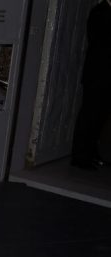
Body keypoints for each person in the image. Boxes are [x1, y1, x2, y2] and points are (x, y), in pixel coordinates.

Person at [71, 0, 111, 170]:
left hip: (106, 74)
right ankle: (80, 156)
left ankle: (91, 152)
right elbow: (99, 40)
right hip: (97, 73)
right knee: (89, 115)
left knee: (99, 116)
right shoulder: (99, 12)